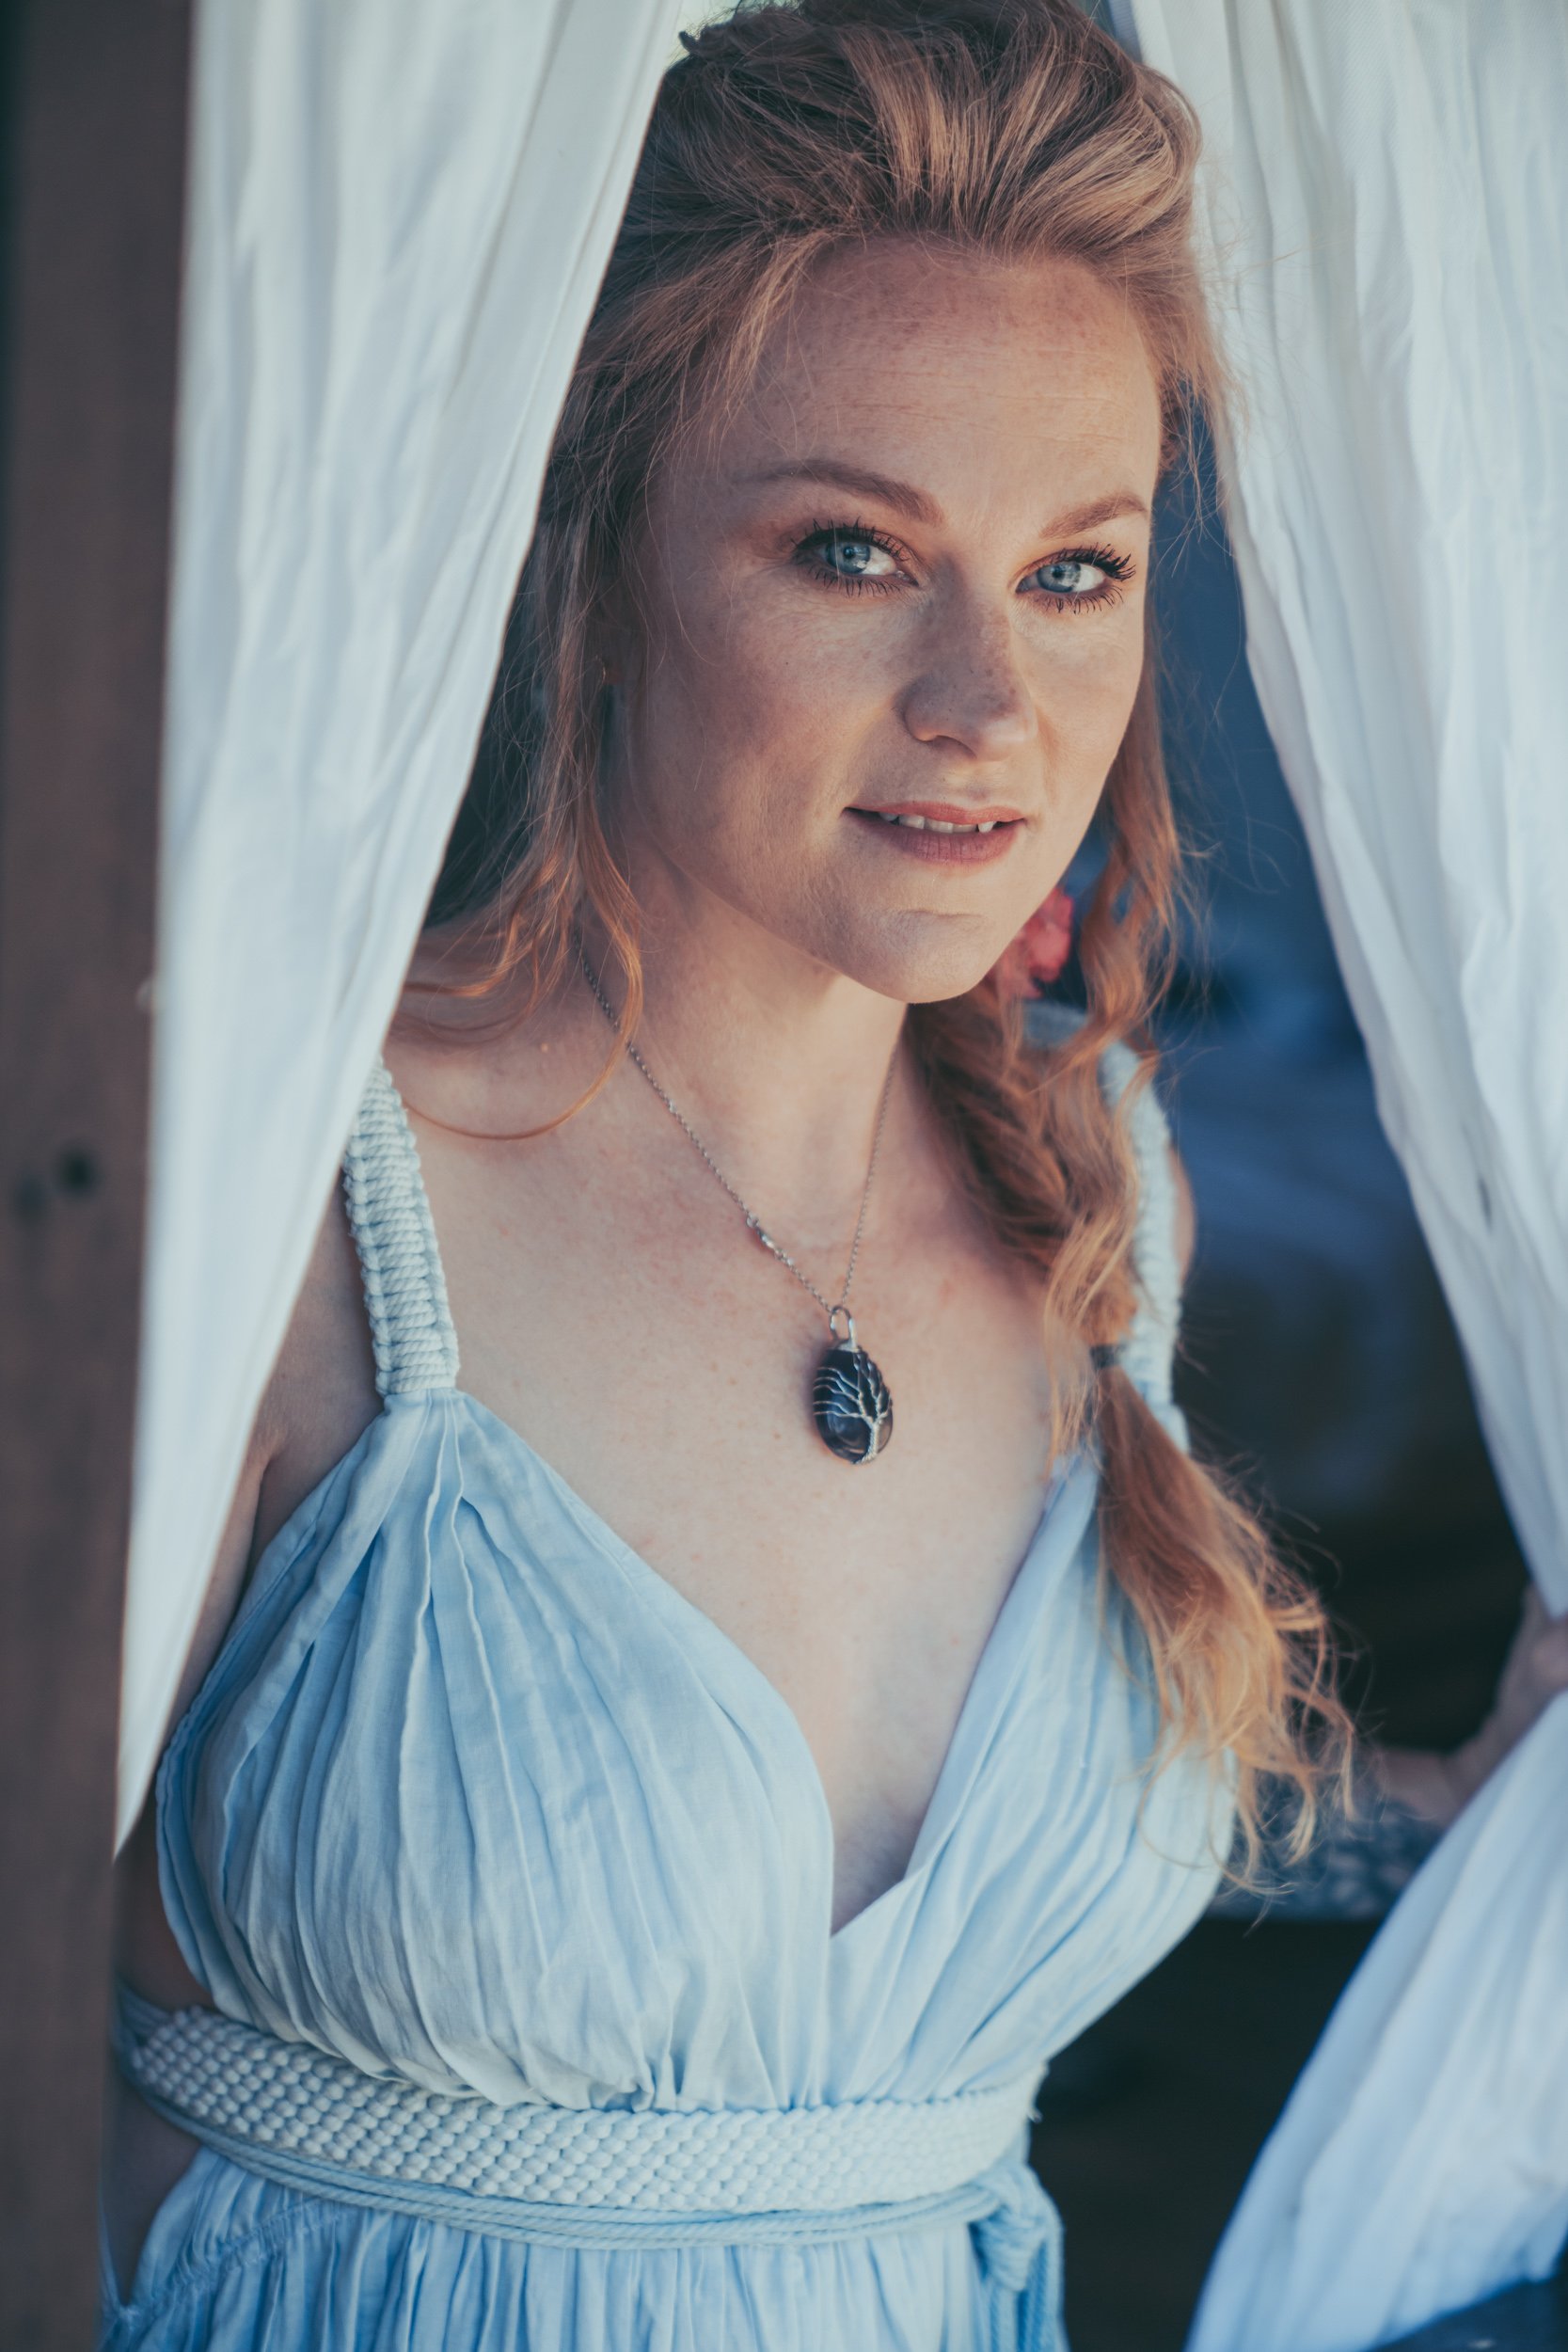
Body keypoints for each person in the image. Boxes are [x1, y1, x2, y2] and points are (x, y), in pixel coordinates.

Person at [100, 3, 1568, 2344]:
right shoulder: (295, 1190)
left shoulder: (1103, 1197)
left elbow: (940, 1851)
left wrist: (1438, 1803)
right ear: (606, 562)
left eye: (1077, 570)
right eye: (856, 547)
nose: (991, 703)